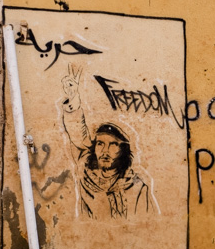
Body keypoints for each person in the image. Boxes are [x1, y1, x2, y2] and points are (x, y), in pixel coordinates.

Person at [60, 64, 155, 220]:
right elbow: (77, 133)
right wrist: (73, 98)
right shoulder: (86, 179)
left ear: (123, 150)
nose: (105, 150)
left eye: (113, 144)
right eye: (100, 143)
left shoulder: (136, 188)